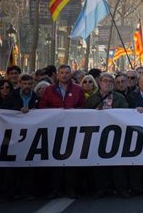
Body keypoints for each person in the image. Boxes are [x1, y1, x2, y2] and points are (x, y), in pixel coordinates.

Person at [38, 64, 85, 198]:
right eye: (62, 72)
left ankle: (71, 189)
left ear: (71, 75)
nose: (64, 75)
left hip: (72, 130)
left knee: (71, 160)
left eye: (67, 73)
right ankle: (55, 189)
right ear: (57, 74)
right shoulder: (49, 90)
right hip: (54, 129)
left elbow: (83, 107)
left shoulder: (78, 89)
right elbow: (42, 107)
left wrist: (74, 112)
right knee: (55, 161)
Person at [85, 73, 130, 198]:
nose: (108, 83)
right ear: (100, 82)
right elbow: (85, 115)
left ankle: (121, 188)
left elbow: (126, 112)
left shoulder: (119, 98)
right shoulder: (92, 99)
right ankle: (101, 188)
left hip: (116, 133)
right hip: (98, 134)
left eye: (111, 81)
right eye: (105, 81)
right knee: (99, 163)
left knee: (118, 163)